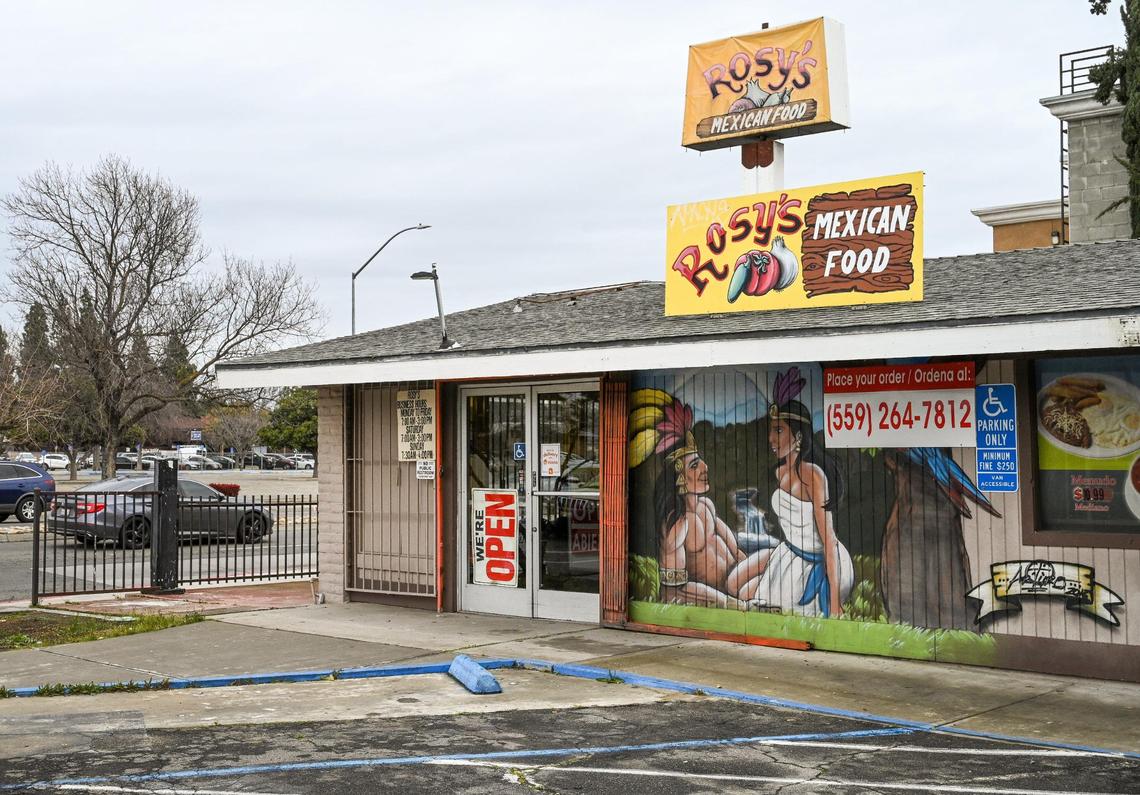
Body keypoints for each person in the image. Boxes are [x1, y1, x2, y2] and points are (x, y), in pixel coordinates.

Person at [728, 398, 853, 617]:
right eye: (771, 431)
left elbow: (829, 540)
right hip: (788, 551)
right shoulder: (779, 473)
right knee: (733, 585)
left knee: (749, 596)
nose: (771, 439)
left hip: (816, 559)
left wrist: (835, 603)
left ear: (798, 436)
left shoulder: (813, 476)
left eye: (778, 431)